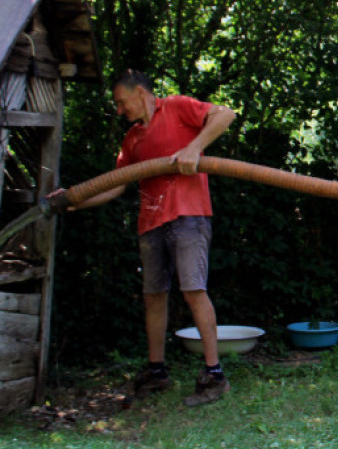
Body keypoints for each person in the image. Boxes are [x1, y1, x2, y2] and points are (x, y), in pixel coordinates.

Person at [53, 70, 236, 407]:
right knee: (153, 296)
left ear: (140, 93)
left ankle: (214, 374)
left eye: (122, 102)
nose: (120, 110)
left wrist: (193, 148)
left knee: (194, 290)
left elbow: (226, 114)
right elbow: (117, 184)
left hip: (188, 214)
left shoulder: (178, 108)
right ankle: (156, 371)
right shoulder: (132, 140)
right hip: (151, 222)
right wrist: (75, 199)